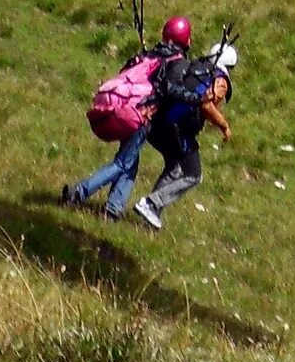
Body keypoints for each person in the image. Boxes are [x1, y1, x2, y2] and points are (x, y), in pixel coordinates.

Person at [66, 14, 193, 220]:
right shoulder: (176, 62)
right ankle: (79, 192)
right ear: (185, 39)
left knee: (129, 162)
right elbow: (171, 90)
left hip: (125, 109)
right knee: (123, 164)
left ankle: (113, 209)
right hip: (142, 116)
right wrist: (192, 97)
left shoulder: (149, 55)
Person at [133, 43, 235, 230]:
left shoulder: (196, 66)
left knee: (174, 168)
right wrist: (224, 126)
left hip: (160, 122)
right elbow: (206, 106)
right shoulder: (220, 81)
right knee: (193, 174)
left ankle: (151, 210)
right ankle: (151, 203)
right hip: (181, 129)